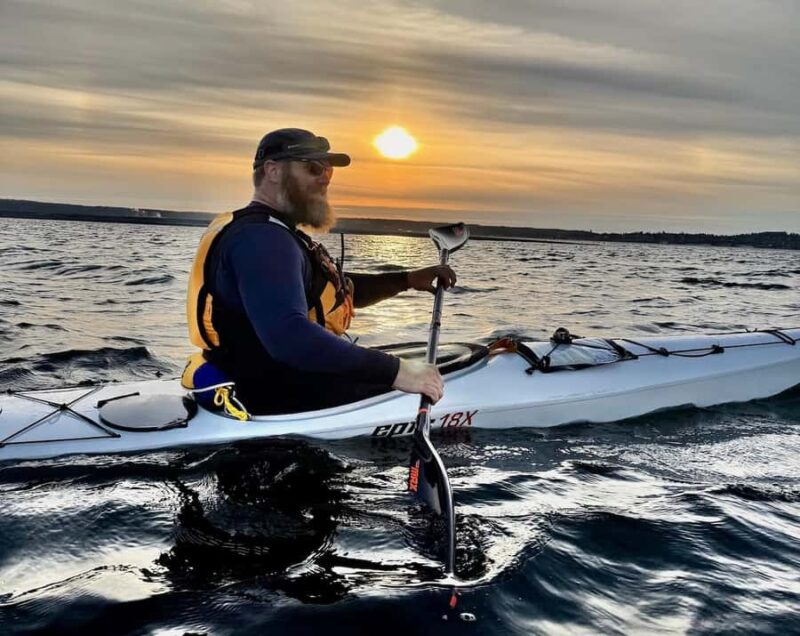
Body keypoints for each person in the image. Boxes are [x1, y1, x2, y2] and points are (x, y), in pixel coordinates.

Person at [182, 128, 457, 415]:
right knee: (444, 371)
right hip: (278, 399)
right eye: (313, 168)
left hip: (266, 382)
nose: (324, 177)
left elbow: (331, 293)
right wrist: (398, 372)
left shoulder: (266, 232)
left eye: (329, 170)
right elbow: (290, 337)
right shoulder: (263, 241)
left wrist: (407, 280)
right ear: (273, 171)